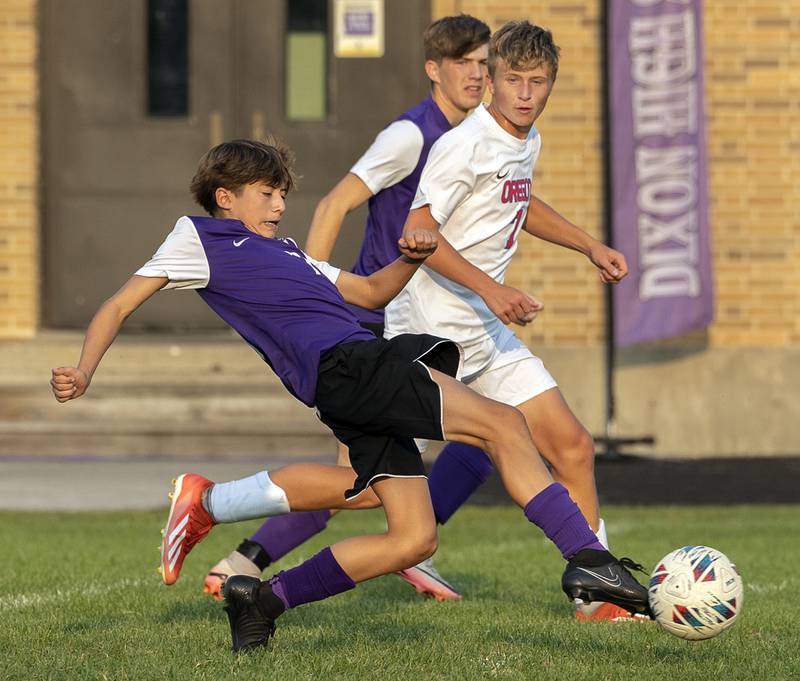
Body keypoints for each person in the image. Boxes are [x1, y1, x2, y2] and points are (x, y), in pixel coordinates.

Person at [51, 138, 650, 653]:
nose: (281, 204)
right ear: (224, 195)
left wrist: (409, 260)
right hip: (352, 368)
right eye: (267, 192)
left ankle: (263, 600)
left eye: (283, 193)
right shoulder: (197, 238)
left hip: (350, 379)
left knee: (413, 538)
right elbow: (120, 303)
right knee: (503, 424)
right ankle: (587, 559)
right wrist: (84, 370)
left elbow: (366, 294)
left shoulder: (287, 252)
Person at [204, 13, 492, 603]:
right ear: (433, 70)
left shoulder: (476, 138)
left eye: (485, 63)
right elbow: (336, 203)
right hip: (378, 319)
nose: (477, 75)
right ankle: (405, 545)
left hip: (429, 314)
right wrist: (305, 289)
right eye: (464, 63)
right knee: (482, 437)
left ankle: (244, 558)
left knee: (368, 479)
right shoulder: (411, 134)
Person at [382, 19, 641, 622]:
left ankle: (595, 592)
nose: (526, 93)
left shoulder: (526, 139)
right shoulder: (463, 145)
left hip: (483, 332)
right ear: (492, 80)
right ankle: (230, 522)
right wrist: (491, 290)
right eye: (514, 80)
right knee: (368, 490)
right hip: (428, 333)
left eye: (539, 81)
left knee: (573, 446)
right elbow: (419, 234)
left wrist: (588, 245)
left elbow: (518, 202)